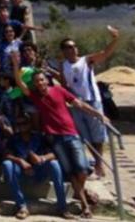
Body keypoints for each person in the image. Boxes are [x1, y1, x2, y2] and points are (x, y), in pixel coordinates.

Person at [11, 50, 107, 218]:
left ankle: (80, 192)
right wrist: (15, 64)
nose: (40, 83)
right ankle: (85, 206)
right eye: (36, 82)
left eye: (41, 80)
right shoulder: (35, 97)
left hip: (72, 134)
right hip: (54, 138)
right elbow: (20, 83)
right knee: (70, 172)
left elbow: (79, 104)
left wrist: (99, 115)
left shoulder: (59, 90)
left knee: (83, 169)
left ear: (46, 80)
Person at [60, 26, 120, 178]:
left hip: (92, 101)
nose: (72, 49)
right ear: (63, 51)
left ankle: (99, 165)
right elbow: (64, 84)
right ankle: (94, 162)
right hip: (76, 105)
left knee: (97, 136)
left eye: (73, 46)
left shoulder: (86, 60)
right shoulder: (63, 65)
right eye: (68, 47)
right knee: (86, 137)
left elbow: (104, 54)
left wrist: (115, 39)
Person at [2, 116, 72, 219]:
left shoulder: (39, 137)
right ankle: (22, 206)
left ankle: (63, 207)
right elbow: (6, 155)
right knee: (7, 164)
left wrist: (41, 158)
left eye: (24, 123)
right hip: (22, 172)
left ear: (30, 124)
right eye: (19, 124)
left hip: (39, 171)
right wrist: (20, 161)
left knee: (54, 164)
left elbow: (53, 154)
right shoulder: (14, 139)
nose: (21, 126)